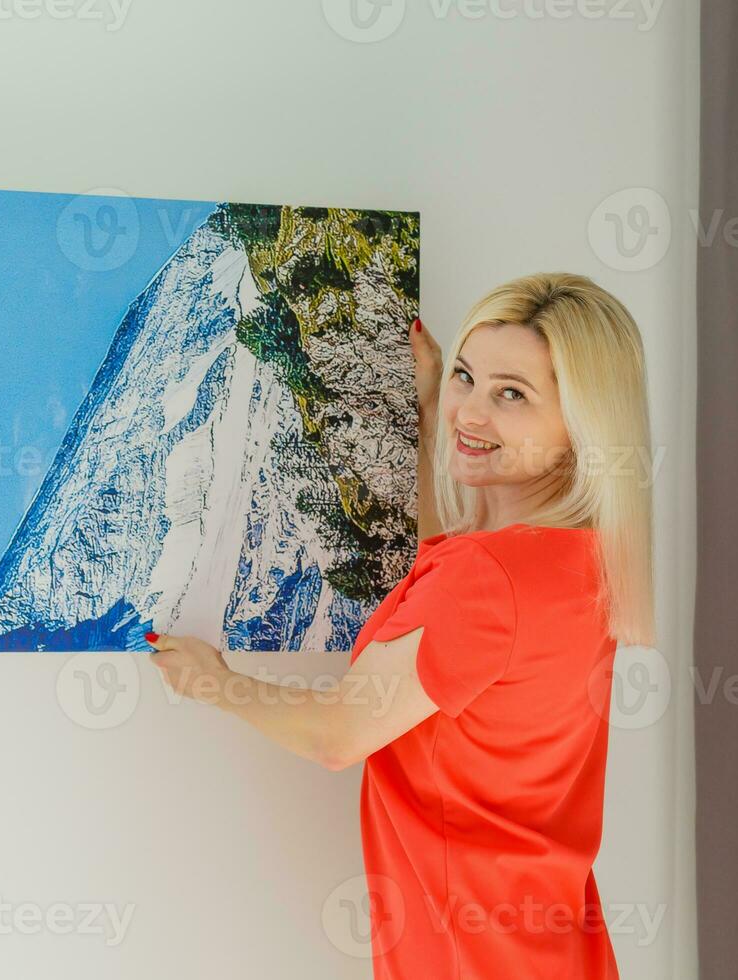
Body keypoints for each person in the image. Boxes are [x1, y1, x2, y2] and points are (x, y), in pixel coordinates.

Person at [145, 272, 657, 979]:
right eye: (468, 379)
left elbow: (337, 734)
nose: (469, 413)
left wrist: (214, 683)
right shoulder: (581, 560)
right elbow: (446, 599)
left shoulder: (488, 579)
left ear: (581, 423)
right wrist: (423, 408)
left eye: (512, 394)